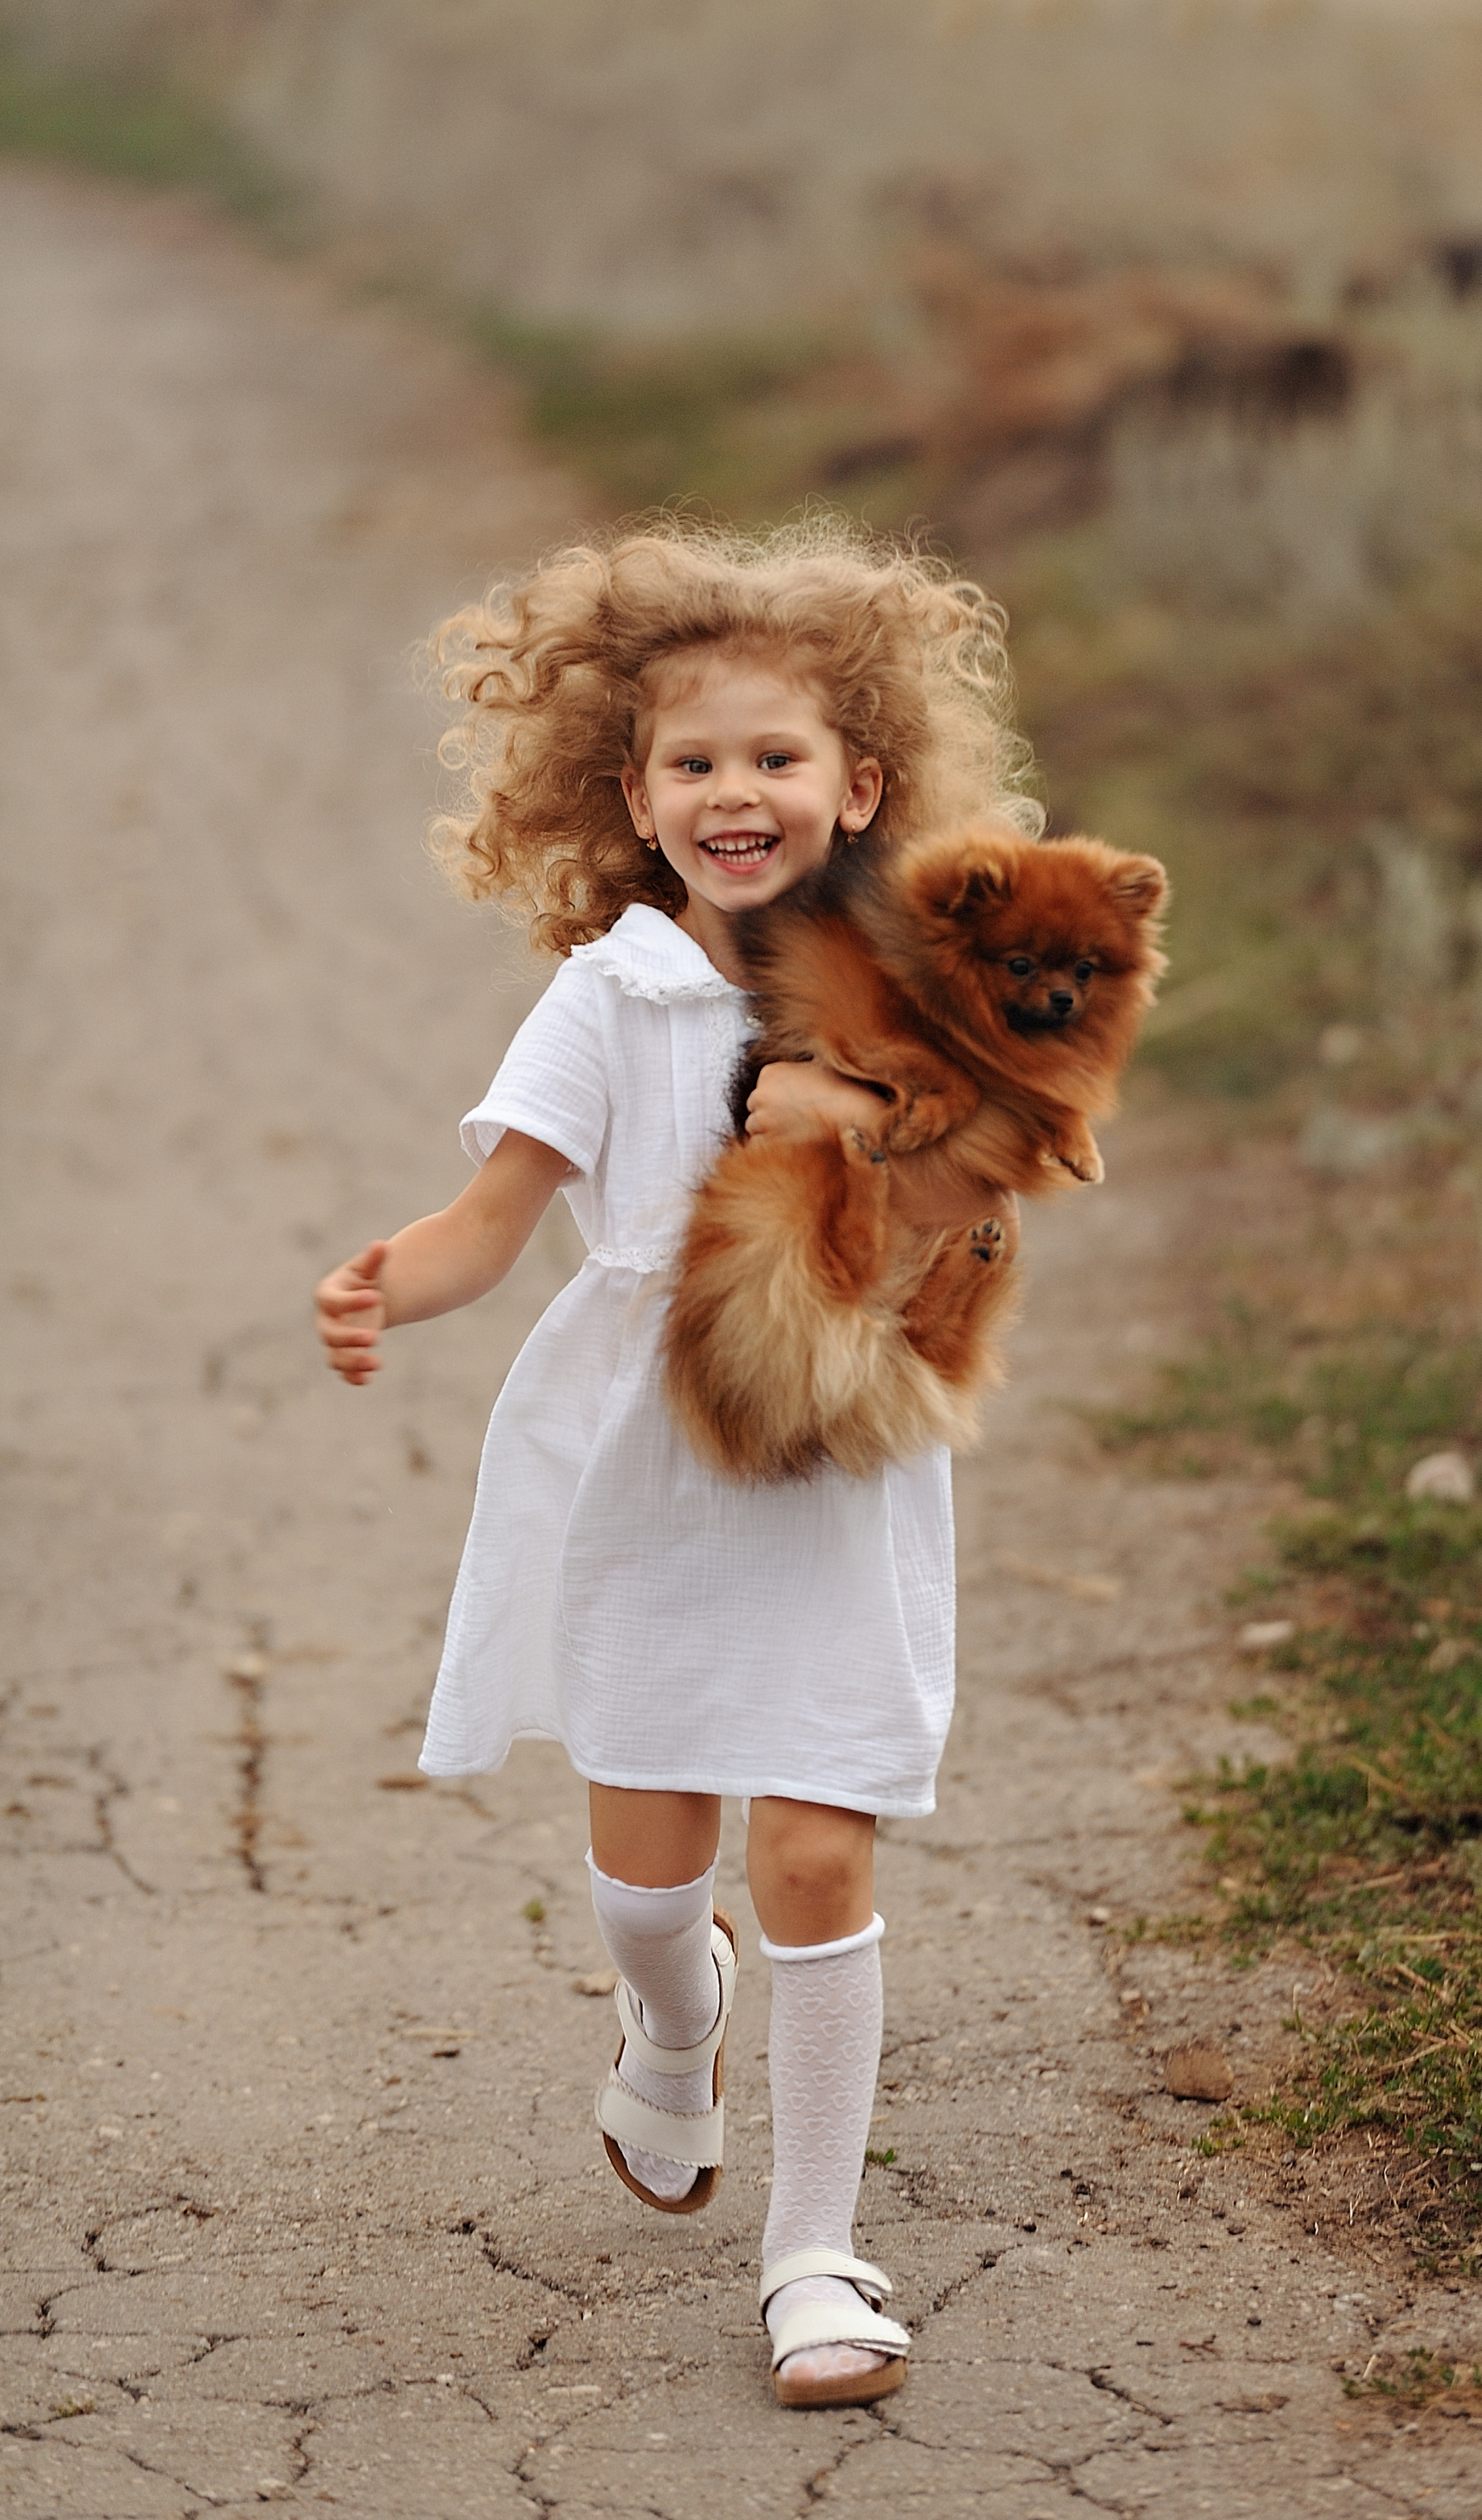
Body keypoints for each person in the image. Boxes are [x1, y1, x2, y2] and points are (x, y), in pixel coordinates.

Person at [313, 515, 1043, 2410]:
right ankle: (669, 2015)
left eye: (777, 757)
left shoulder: (909, 978)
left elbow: (985, 1176)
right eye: (696, 763)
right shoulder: (609, 994)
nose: (738, 791)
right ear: (632, 800)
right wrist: (399, 1278)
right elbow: (500, 1212)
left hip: (831, 1436)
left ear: (860, 786)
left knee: (812, 1845)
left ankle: (814, 2251)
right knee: (652, 1877)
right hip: (649, 1459)